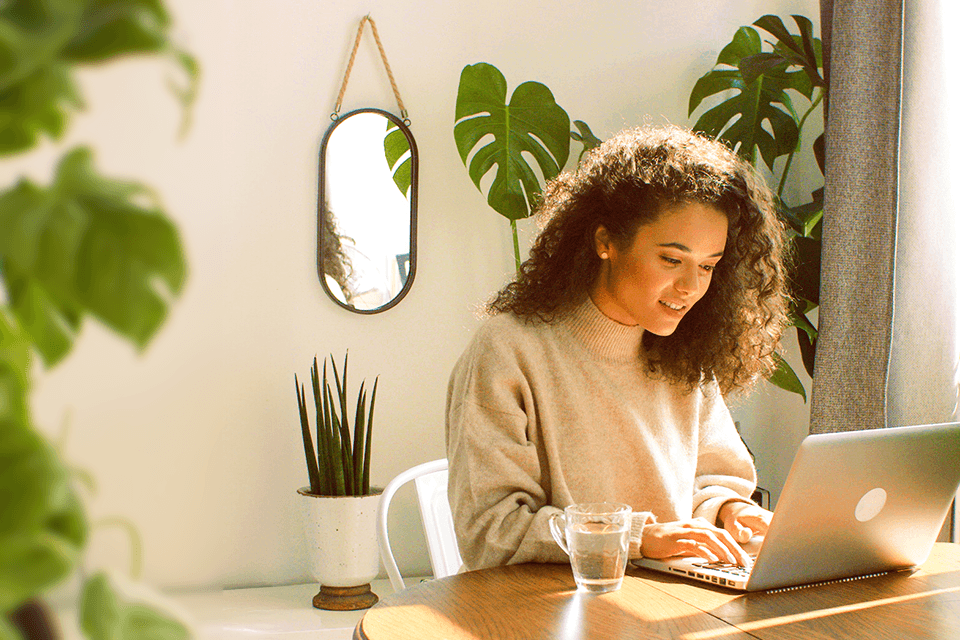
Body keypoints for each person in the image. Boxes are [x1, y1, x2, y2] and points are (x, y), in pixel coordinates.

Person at [445, 125, 791, 571]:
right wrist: (638, 538)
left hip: (667, 607)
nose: (690, 287)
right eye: (672, 259)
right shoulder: (508, 351)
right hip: (549, 612)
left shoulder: (684, 354)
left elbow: (713, 477)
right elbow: (491, 530)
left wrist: (730, 511)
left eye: (708, 266)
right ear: (605, 241)